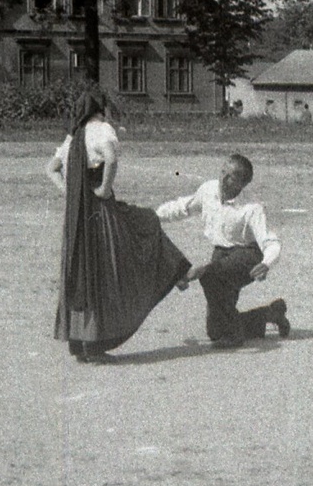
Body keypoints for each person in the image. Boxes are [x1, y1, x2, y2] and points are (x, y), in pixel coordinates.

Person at [50, 89, 191, 361]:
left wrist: (70, 191)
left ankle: (79, 343)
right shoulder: (102, 129)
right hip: (99, 209)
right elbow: (111, 158)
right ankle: (95, 344)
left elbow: (50, 168)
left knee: (80, 268)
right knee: (108, 264)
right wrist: (103, 188)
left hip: (76, 213)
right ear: (100, 109)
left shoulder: (73, 137)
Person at [157, 154, 289, 348]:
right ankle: (270, 313)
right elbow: (184, 207)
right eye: (222, 172)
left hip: (248, 256)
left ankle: (234, 336)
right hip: (221, 253)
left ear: (243, 184)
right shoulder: (208, 190)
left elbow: (271, 241)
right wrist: (153, 216)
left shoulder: (252, 207)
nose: (223, 180)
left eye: (232, 177)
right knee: (215, 331)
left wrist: (266, 263)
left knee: (209, 275)